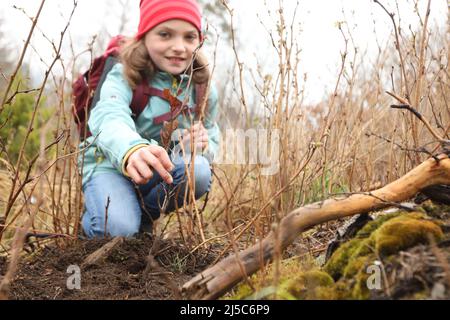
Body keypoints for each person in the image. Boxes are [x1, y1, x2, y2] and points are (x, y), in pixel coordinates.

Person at [79, 0, 220, 238]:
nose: (179, 47)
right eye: (165, 35)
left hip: (159, 170)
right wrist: (132, 150)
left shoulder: (201, 87)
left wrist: (202, 147)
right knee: (117, 231)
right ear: (144, 37)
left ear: (199, 41)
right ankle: (99, 222)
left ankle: (139, 219)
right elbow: (109, 114)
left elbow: (213, 134)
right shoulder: (124, 74)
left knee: (200, 171)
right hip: (110, 165)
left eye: (189, 37)